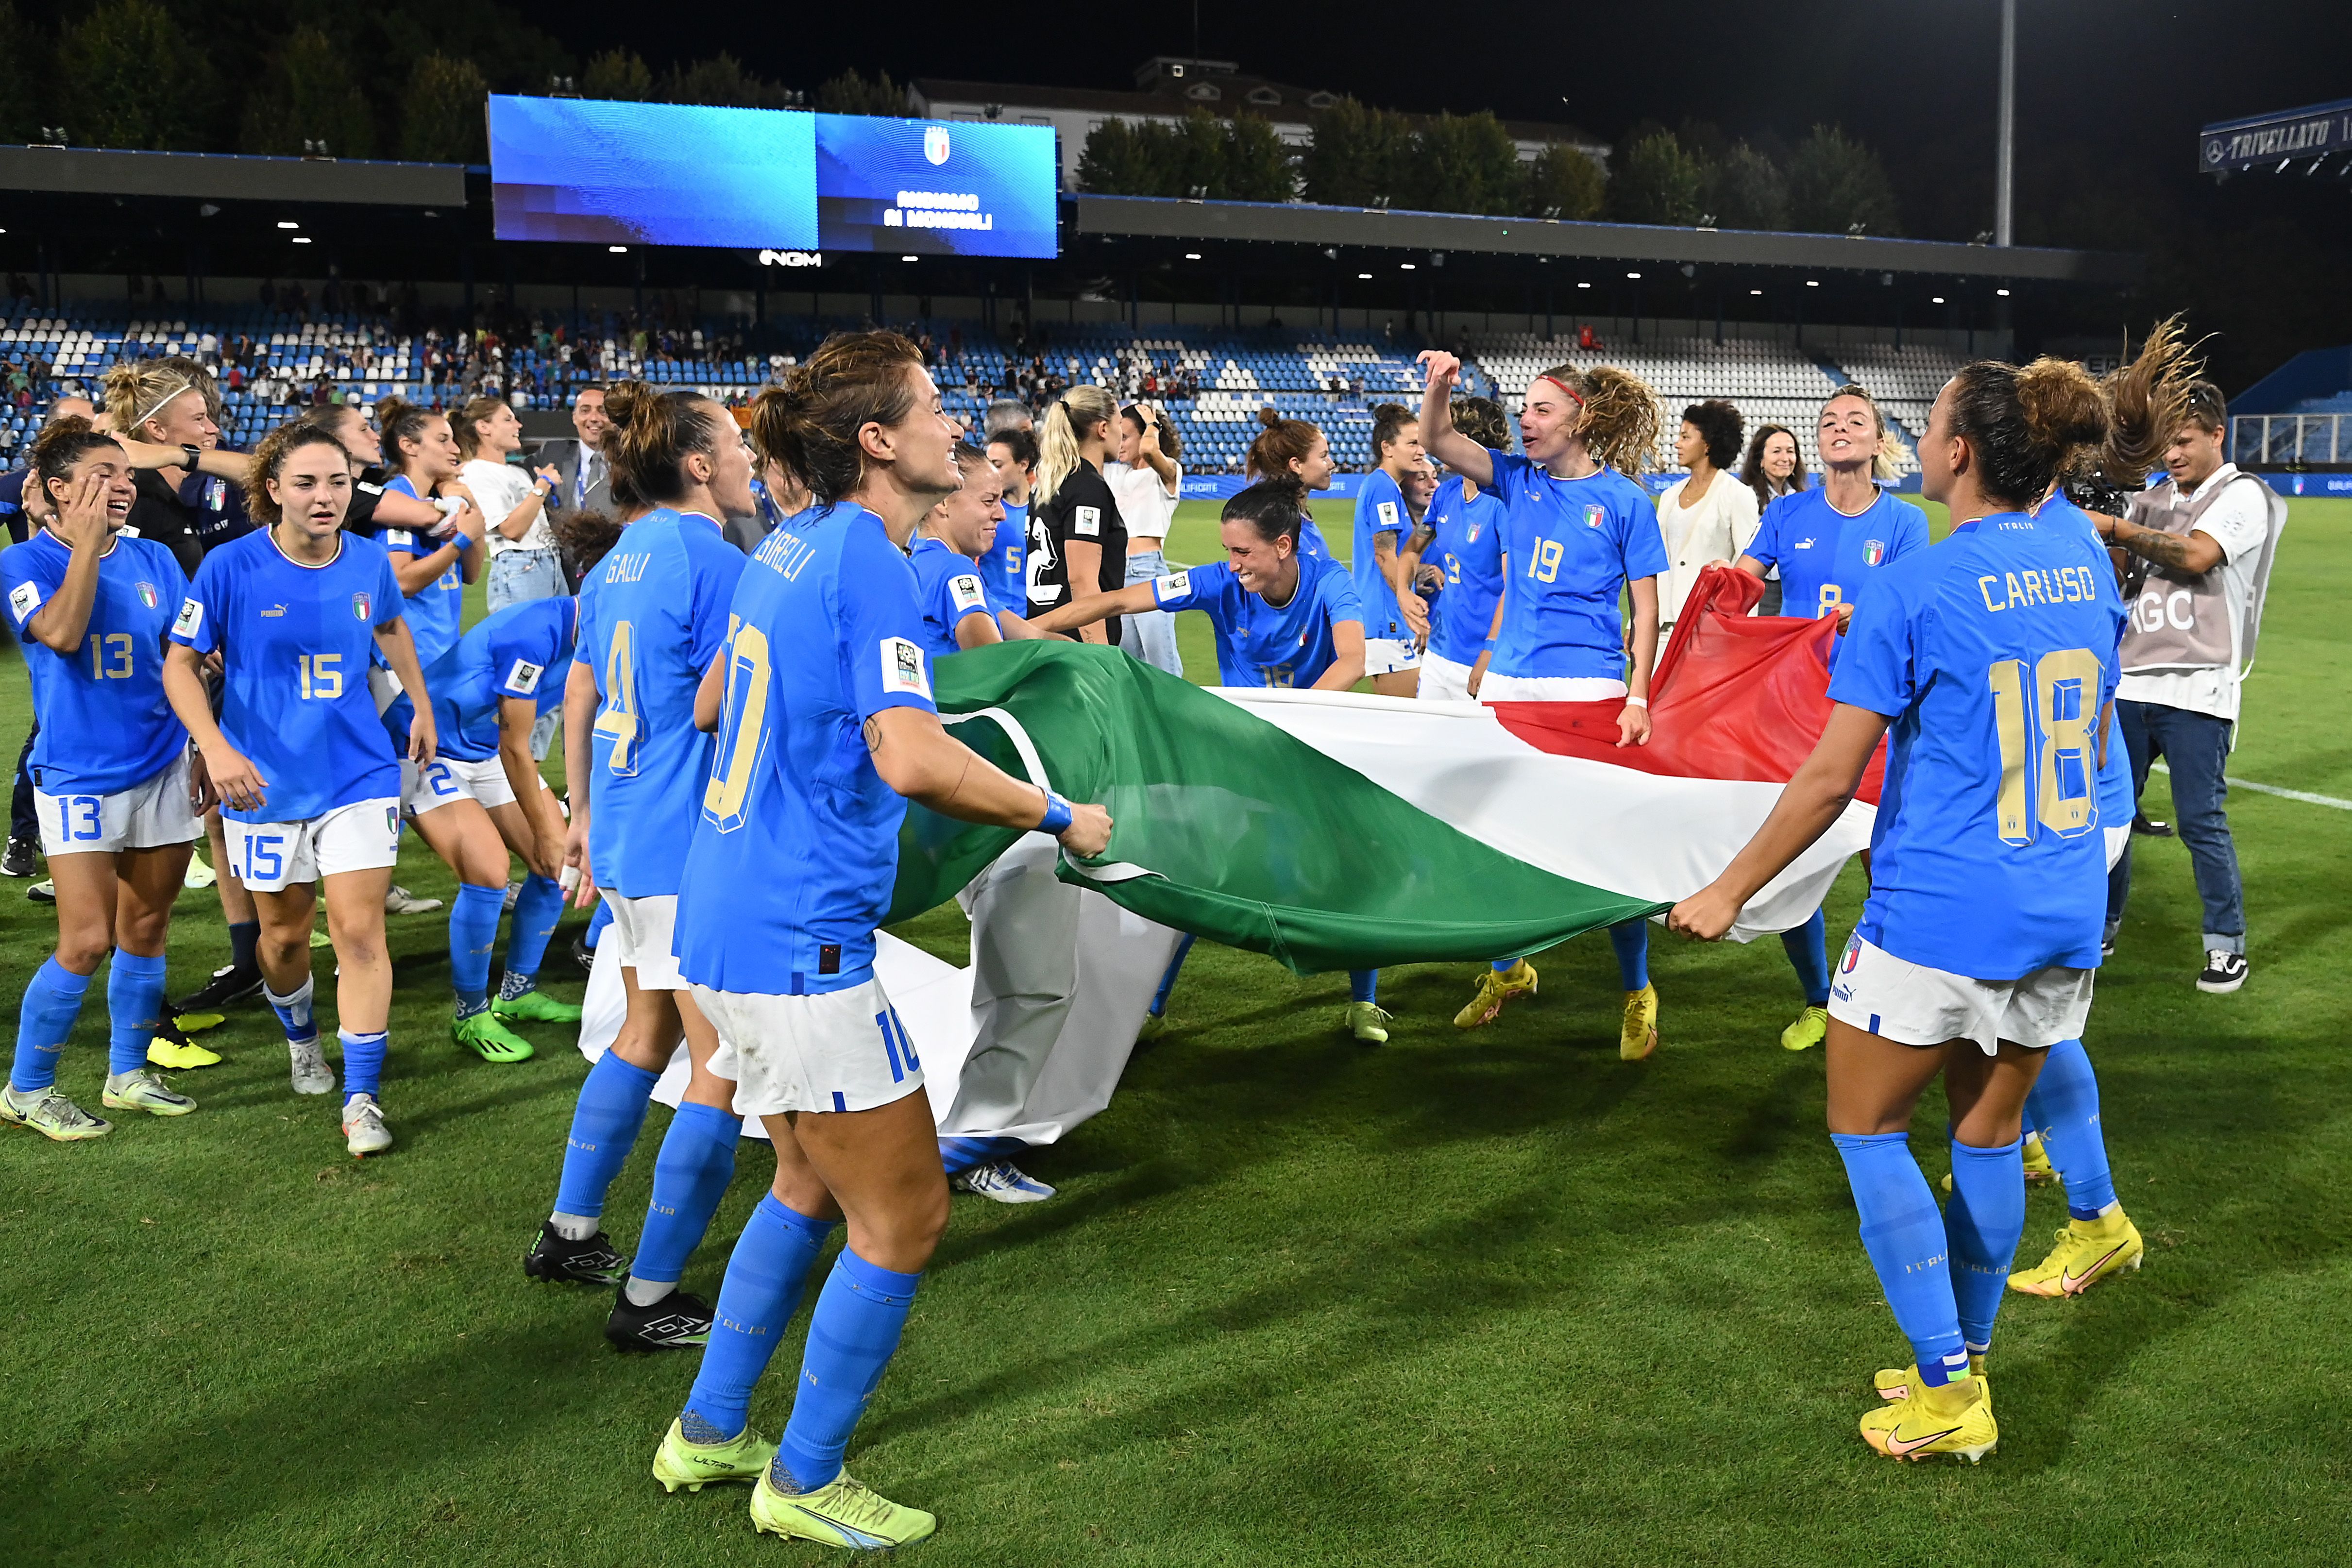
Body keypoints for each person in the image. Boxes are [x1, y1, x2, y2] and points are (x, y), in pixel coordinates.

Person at [650, 331, 1111, 1549]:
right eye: (932, 407)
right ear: (876, 440)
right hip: (798, 941)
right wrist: (1057, 814)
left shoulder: (790, 541)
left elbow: (716, 702)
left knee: (805, 1181)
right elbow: (909, 757)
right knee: (904, 1217)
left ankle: (708, 1430)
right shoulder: (866, 555)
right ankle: (803, 1478)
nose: (953, 426)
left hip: (724, 916)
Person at [1667, 347, 2163, 1465]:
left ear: (1959, 452)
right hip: (2059, 899)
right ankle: (1963, 1369)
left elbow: (1825, 779)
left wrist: (1725, 890)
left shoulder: (1911, 588)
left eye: (1928, 424)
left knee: (1865, 1127)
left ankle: (1945, 1390)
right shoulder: (2079, 557)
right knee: (1985, 1138)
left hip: (1939, 908)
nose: (1915, 438)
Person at [527, 383, 752, 1355]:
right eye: (736, 444)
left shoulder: (618, 555)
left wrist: (581, 811)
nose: (748, 458)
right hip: (679, 841)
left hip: (624, 828)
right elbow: (722, 704)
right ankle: (650, 1295)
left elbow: (583, 683)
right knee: (723, 1063)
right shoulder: (715, 557)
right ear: (698, 463)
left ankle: (570, 1232)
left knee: (646, 1031)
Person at [1028, 479, 1388, 1042]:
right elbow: (1120, 601)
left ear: (1284, 546)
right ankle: (1152, 1007)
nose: (1233, 563)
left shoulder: (1329, 582)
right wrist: (1032, 629)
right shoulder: (1219, 581)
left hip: (1313, 751)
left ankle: (1364, 1003)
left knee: (1348, 874)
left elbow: (1352, 660)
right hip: (1239, 756)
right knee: (1201, 879)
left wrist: (1290, 725)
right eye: (1228, 551)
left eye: (1243, 551)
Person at [162, 422, 437, 1157]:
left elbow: (391, 626)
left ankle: (362, 1098)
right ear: (273, 489)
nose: (325, 496)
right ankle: (302, 1038)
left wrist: (420, 704)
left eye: (338, 482)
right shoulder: (229, 566)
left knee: (360, 933)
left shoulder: (369, 560)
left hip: (359, 773)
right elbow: (180, 665)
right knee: (283, 940)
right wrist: (216, 747)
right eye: (307, 483)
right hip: (263, 784)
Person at [1417, 350, 1671, 1062]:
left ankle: (1636, 990)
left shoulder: (1625, 501)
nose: (1524, 421)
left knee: (1604, 851)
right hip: (1509, 690)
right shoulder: (1515, 479)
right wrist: (1437, 387)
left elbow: (1646, 611)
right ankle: (1508, 970)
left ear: (1579, 420)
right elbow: (1437, 439)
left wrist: (1638, 695)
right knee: (1493, 838)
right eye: (1523, 409)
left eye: (1541, 410)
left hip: (1588, 691)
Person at [0, 418, 201, 1139]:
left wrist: (206, 746)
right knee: (86, 939)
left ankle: (127, 1074)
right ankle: (27, 1090)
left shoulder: (155, 559)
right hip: (80, 775)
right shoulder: (24, 562)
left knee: (146, 930)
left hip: (165, 765)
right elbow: (60, 634)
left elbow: (187, 660)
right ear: (58, 489)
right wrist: (84, 544)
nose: (123, 486)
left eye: (126, 474)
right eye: (102, 475)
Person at [382, 511, 621, 1066]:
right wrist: (549, 829)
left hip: (480, 745)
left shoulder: (603, 635)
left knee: (556, 867)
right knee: (491, 871)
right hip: (422, 746)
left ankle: (516, 995)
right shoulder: (535, 633)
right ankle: (470, 1013)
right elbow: (518, 745)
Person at [1735, 387, 1931, 1054]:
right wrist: (1715, 590)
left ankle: (1898, 993)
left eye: (1854, 421)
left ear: (1877, 440)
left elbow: (1912, 608)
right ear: (1816, 442)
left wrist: (1863, 615)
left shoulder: (1905, 523)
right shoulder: (1786, 512)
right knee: (1795, 859)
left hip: (1873, 714)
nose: (1839, 428)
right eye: (1827, 421)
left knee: (1885, 860)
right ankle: (1818, 997)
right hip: (1793, 712)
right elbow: (1743, 584)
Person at [2095, 380, 2284, 995]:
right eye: (2165, 444)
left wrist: (2117, 527)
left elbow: (2197, 555)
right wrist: (2102, 529)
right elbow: (2122, 577)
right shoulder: (2148, 497)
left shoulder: (2243, 494)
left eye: (2182, 441)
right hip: (2130, 679)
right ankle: (2100, 927)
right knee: (2109, 816)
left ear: (2216, 435)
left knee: (2200, 820)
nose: (2171, 454)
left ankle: (2225, 945)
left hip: (2197, 686)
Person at [1409, 398, 1509, 703]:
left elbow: (1514, 587)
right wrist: (1403, 594)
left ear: (1463, 441)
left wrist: (1489, 651)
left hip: (1481, 657)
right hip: (1439, 651)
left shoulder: (1503, 504)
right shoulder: (1448, 493)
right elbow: (1413, 548)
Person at [375, 399, 487, 671]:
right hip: (408, 659)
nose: (456, 449)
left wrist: (470, 502)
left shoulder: (439, 500)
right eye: (443, 440)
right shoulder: (398, 500)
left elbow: (472, 574)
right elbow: (402, 581)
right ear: (409, 446)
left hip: (442, 650)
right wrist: (462, 540)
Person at [1025, 386, 1127, 646]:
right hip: (1074, 643)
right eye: (1119, 423)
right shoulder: (1087, 487)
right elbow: (1081, 580)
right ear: (1103, 429)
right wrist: (1100, 653)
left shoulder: (1049, 484)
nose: (1122, 433)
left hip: (1046, 635)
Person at [1654, 399, 1759, 637]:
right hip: (1663, 628)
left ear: (1708, 444)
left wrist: (1743, 632)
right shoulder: (1669, 496)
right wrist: (1636, 623)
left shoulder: (1737, 495)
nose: (1677, 444)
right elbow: (1656, 563)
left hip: (1711, 629)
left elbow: (1747, 571)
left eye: (1686, 437)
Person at [1350, 404, 1431, 697]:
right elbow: (1384, 555)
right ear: (1387, 448)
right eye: (1412, 443)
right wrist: (1407, 601)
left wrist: (1421, 572)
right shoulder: (1383, 487)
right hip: (1388, 622)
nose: (1421, 451)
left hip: (1387, 619)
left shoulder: (1385, 485)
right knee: (1410, 716)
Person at [910, 443, 1017, 659]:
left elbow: (1032, 634)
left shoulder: (914, 559)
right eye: (989, 501)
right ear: (943, 501)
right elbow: (992, 660)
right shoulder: (954, 569)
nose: (1002, 514)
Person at [458, 396, 563, 614]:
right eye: (508, 420)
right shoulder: (474, 472)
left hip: (551, 561)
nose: (518, 425)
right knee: (525, 636)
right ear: (484, 427)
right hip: (520, 565)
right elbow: (512, 530)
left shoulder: (519, 472)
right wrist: (543, 486)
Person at [1107, 402, 1184, 676]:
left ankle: (1177, 707)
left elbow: (1150, 451)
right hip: (1116, 574)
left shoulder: (1167, 472)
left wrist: (1152, 424)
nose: (1120, 443)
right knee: (1128, 665)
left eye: (1126, 437)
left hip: (1147, 571)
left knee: (1162, 663)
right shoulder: (1115, 472)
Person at [1245, 408, 1337, 562]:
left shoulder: (1297, 517)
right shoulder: (1279, 528)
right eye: (1324, 456)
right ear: (1296, 465)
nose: (1332, 464)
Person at [1738, 422, 1806, 616]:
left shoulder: (1801, 499)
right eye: (1777, 451)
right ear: (1760, 460)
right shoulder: (1747, 497)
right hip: (1762, 590)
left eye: (1790, 451)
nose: (1785, 458)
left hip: (1794, 589)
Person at [981, 427, 1034, 617]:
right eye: (988, 466)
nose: (991, 473)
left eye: (998, 465)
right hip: (993, 615)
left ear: (1023, 464)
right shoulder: (983, 510)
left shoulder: (1046, 510)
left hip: (1035, 616)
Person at [542, 383, 615, 523]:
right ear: (574, 417)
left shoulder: (632, 461)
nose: (594, 418)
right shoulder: (552, 453)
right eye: (585, 411)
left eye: (603, 411)